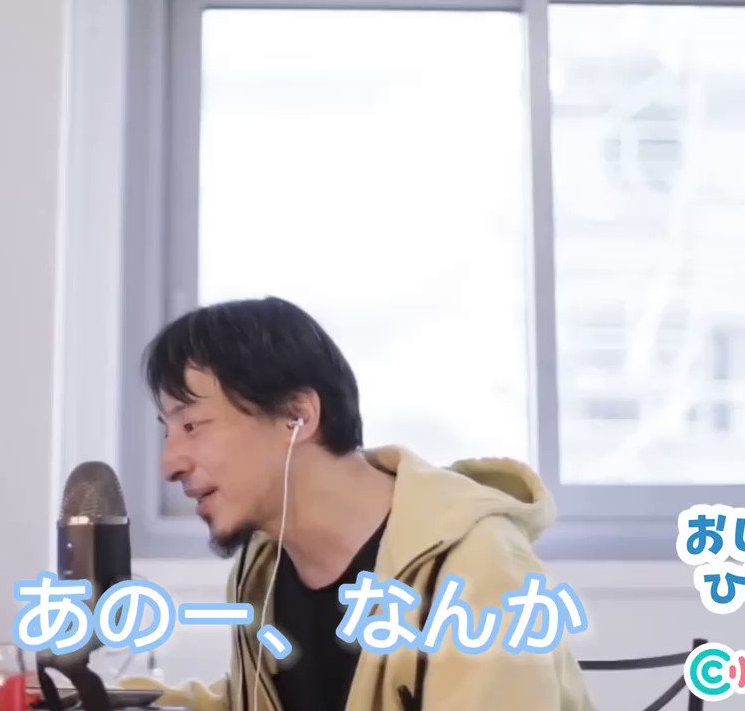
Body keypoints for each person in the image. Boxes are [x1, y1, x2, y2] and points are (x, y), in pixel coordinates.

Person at [121, 296, 595, 711]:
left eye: (192, 426)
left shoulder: (478, 568)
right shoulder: (262, 567)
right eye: (168, 432)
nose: (170, 464)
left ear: (297, 416)